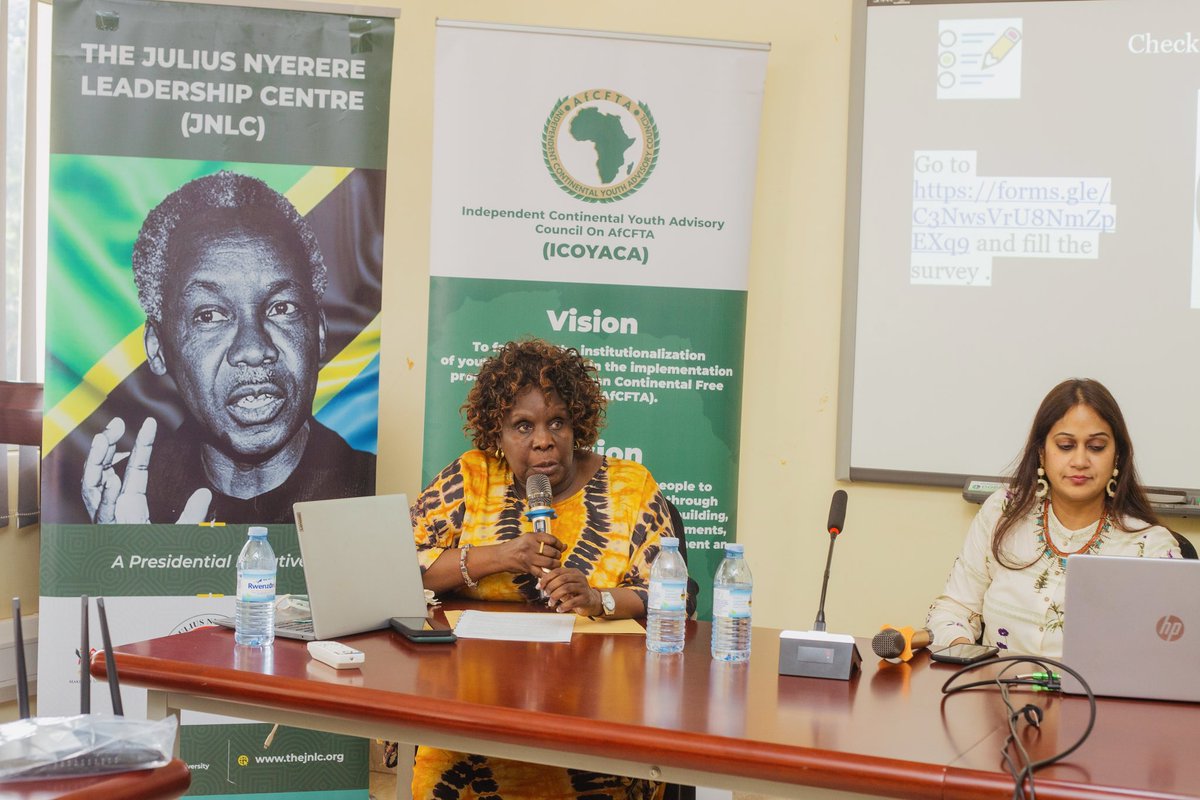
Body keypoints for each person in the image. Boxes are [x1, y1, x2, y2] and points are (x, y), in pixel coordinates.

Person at [410, 338, 675, 800]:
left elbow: (674, 599)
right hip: (474, 712)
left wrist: (599, 599)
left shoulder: (631, 488)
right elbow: (405, 567)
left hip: (597, 713)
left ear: (578, 425)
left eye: (557, 422)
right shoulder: (471, 478)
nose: (543, 440)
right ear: (497, 433)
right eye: (522, 426)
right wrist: (503, 555)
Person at [80, 171, 375, 525]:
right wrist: (129, 562)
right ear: (158, 348)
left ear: (320, 333)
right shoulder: (123, 502)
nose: (253, 349)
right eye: (209, 315)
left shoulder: (372, 494)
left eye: (282, 308)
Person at [926, 378, 1181, 657]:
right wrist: (966, 655)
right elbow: (954, 608)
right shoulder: (1003, 512)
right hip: (994, 689)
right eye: (1065, 445)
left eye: (1096, 447)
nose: (1080, 461)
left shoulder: (1151, 546)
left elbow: (1171, 649)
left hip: (1096, 699)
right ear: (1042, 453)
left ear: (1117, 457)